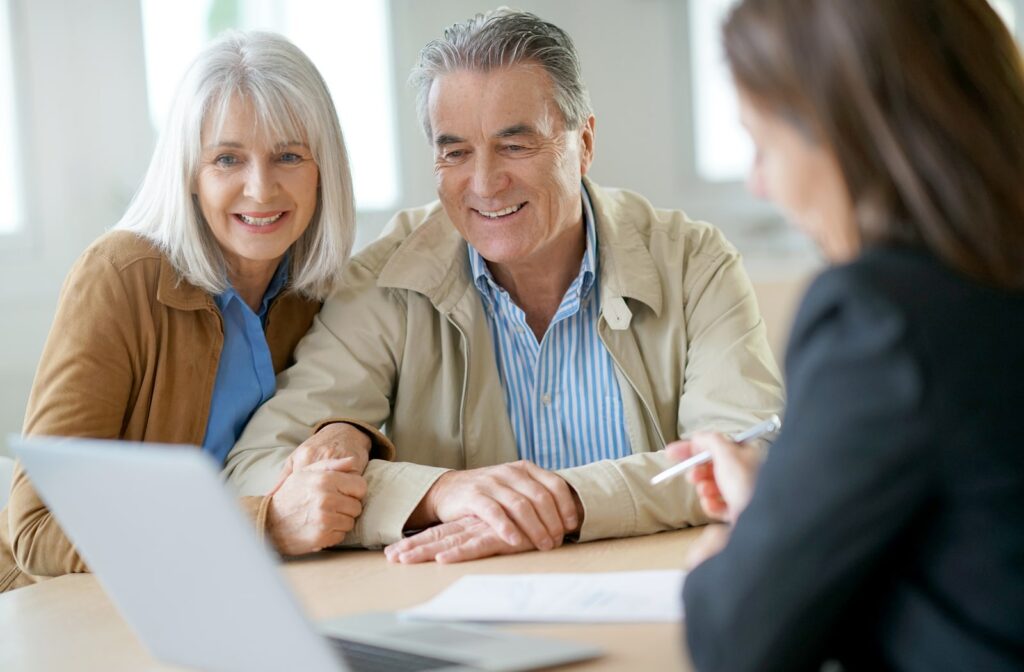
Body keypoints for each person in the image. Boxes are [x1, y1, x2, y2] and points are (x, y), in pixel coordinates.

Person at [224, 9, 783, 564]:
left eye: (516, 145)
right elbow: (255, 470)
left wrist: (567, 502)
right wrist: (437, 494)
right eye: (456, 151)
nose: (486, 183)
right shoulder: (383, 280)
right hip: (461, 606)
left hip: (663, 594)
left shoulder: (694, 263)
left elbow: (747, 454)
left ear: (583, 142)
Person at [668, 1, 1024, 669]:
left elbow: (738, 640)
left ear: (842, 133)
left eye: (763, 144)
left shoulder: (878, 317)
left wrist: (736, 559)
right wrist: (790, 498)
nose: (757, 182)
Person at [0, 31, 387, 593]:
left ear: (323, 169)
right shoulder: (120, 276)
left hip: (231, 591)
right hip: (72, 607)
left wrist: (348, 432)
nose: (260, 188)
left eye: (288, 156)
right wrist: (265, 526)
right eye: (227, 158)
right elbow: (36, 530)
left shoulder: (316, 292)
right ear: (190, 173)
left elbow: (338, 411)